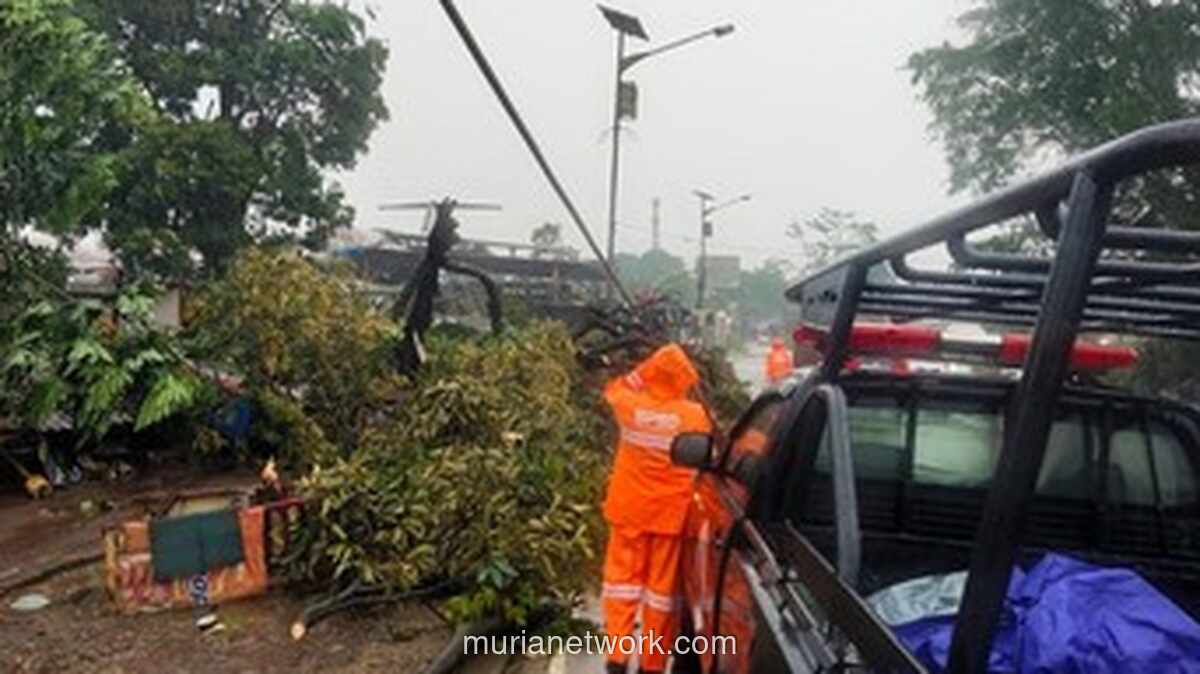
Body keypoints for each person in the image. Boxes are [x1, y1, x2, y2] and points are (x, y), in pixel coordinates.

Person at [601, 343, 713, 674]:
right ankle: (652, 665)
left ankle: (617, 658)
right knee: (661, 595)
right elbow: (708, 451)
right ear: (684, 377)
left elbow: (614, 388)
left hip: (628, 512)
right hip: (669, 517)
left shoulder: (629, 406)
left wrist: (645, 370)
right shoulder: (694, 415)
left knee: (621, 588)